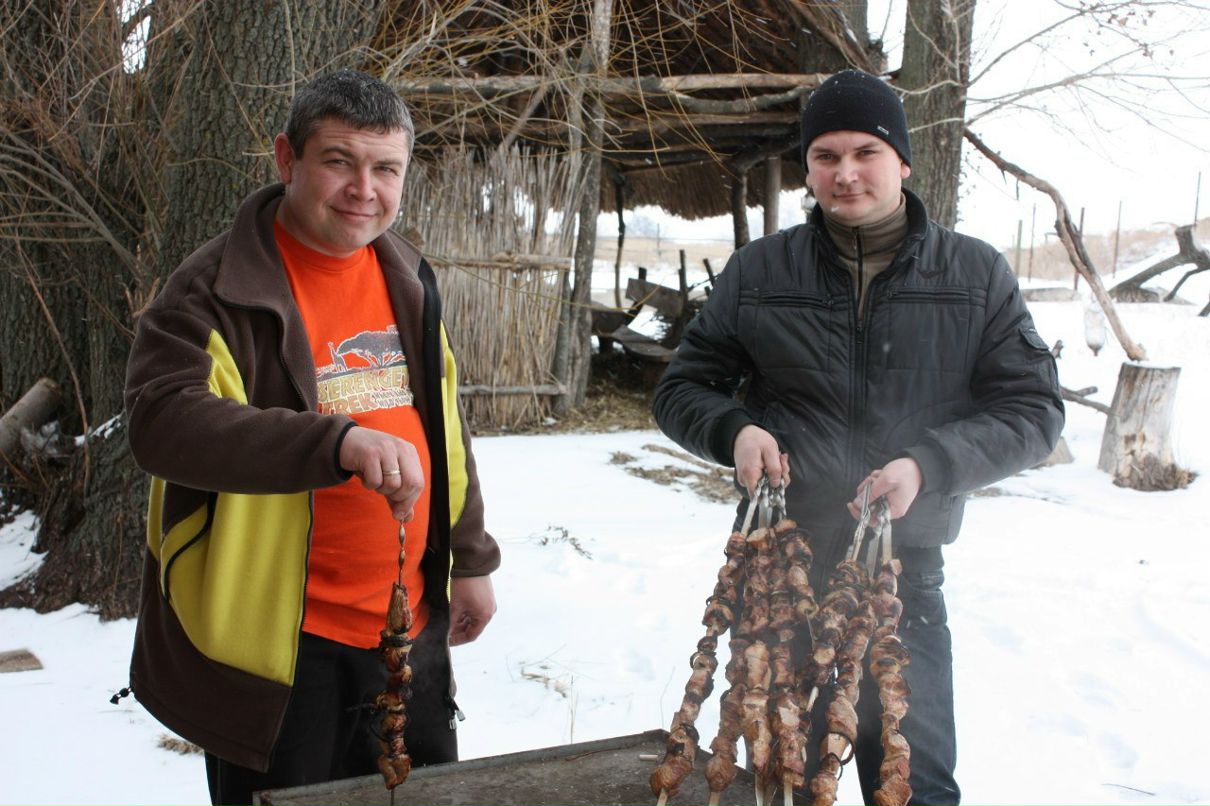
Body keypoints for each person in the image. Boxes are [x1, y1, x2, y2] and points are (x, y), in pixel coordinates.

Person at [652, 69, 1063, 805]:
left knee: (913, 777)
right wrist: (735, 429)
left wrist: (929, 464)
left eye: (866, 151)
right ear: (808, 167)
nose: (845, 173)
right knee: (783, 771)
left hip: (902, 574)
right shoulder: (760, 272)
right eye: (826, 156)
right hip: (783, 570)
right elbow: (682, 388)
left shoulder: (973, 275)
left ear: (903, 161)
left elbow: (1034, 410)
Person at [122, 69, 500, 806]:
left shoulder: (408, 277)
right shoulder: (212, 290)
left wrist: (471, 555)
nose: (365, 188)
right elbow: (161, 422)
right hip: (280, 654)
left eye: (385, 168)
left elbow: (446, 427)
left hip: (407, 628)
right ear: (286, 159)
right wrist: (335, 443)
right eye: (339, 160)